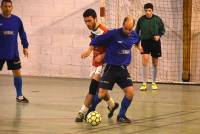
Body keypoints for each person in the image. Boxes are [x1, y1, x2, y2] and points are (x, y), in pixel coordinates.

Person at [82, 16, 140, 123]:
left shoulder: (134, 34)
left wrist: (139, 47)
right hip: (111, 68)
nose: (128, 31)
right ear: (123, 25)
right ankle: (90, 110)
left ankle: (121, 116)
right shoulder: (113, 34)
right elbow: (96, 40)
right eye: (126, 28)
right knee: (101, 94)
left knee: (130, 93)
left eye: (130, 29)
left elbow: (137, 40)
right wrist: (89, 50)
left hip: (123, 69)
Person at [75, 8, 119, 122]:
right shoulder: (94, 30)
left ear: (95, 19)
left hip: (104, 63)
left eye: (89, 21)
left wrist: (102, 55)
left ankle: (82, 112)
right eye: (85, 21)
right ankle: (111, 104)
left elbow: (113, 48)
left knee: (93, 88)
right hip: (95, 63)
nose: (87, 24)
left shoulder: (104, 31)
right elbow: (95, 41)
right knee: (101, 90)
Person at [0, 0, 29, 103]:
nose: (7, 8)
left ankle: (19, 96)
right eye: (5, 6)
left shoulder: (17, 20)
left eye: (9, 6)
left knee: (17, 73)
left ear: (12, 7)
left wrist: (25, 46)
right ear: (1, 7)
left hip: (13, 52)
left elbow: (22, 32)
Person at [135, 3, 165, 91]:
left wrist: (159, 35)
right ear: (144, 11)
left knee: (155, 63)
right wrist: (138, 45)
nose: (148, 12)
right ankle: (144, 83)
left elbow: (162, 30)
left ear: (152, 10)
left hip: (155, 43)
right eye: (146, 11)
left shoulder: (157, 19)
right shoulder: (141, 20)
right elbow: (137, 32)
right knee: (145, 61)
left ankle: (154, 82)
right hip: (145, 42)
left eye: (149, 10)